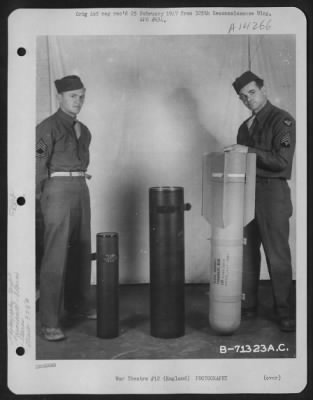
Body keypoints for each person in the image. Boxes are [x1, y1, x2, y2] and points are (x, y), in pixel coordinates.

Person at [224, 70, 296, 332]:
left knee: (276, 255)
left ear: (264, 89)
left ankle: (285, 310)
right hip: (246, 196)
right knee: (246, 253)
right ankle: (249, 304)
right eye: (243, 97)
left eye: (252, 93)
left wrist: (247, 151)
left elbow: (282, 163)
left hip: (272, 195)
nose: (248, 100)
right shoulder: (245, 127)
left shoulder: (283, 121)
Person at [36, 75, 96, 341]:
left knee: (81, 249)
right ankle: (49, 320)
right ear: (59, 97)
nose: (78, 101)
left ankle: (77, 306)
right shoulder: (47, 128)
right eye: (73, 96)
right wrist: (39, 202)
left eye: (82, 95)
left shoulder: (84, 130)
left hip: (81, 189)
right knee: (56, 254)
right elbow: (37, 168)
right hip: (57, 192)